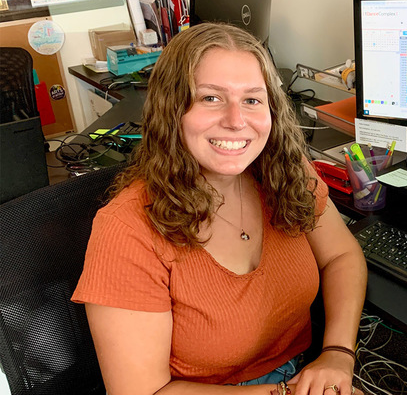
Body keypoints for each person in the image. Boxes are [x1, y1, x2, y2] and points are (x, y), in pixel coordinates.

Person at [72, 22, 367, 395]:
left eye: (252, 100)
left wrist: (338, 353)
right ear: (170, 108)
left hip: (300, 371)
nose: (236, 121)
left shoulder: (285, 172)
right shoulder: (126, 229)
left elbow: (341, 255)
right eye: (210, 98)